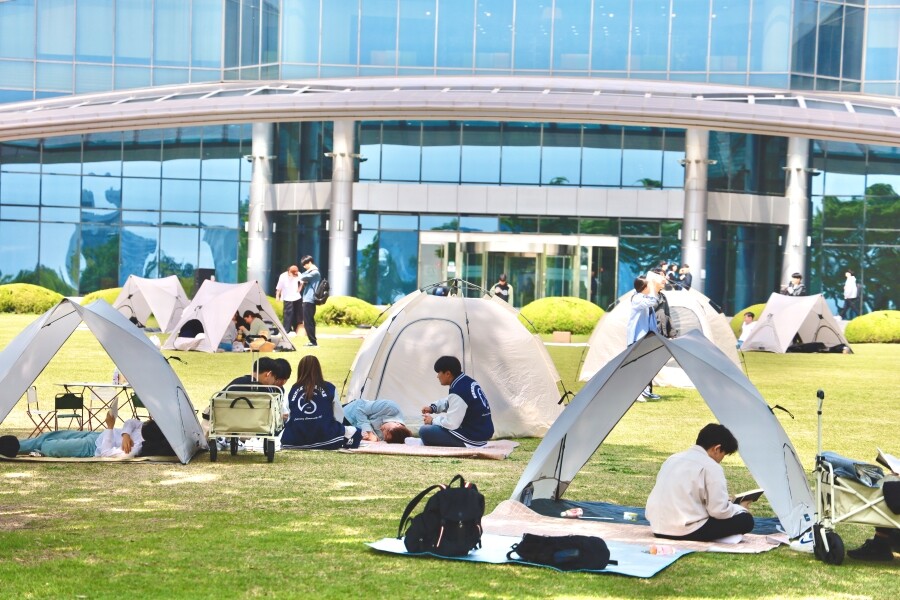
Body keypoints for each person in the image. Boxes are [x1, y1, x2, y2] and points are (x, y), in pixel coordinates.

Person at [645, 423, 755, 542]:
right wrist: (739, 508)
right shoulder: (711, 466)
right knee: (746, 520)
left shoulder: (672, 459)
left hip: (658, 527)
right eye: (723, 455)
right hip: (686, 530)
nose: (721, 460)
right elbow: (719, 511)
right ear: (717, 449)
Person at [280, 355, 361, 449]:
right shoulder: (329, 387)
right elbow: (339, 416)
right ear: (318, 369)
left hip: (294, 440)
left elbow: (291, 415)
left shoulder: (294, 389)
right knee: (356, 431)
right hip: (326, 437)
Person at [1, 411, 147, 459]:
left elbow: (106, 452)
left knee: (49, 446)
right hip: (96, 435)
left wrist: (110, 427)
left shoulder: (136, 448)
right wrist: (126, 434)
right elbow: (132, 422)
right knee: (47, 436)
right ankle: (8, 446)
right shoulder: (146, 428)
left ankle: (19, 449)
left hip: (92, 448)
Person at [419, 356, 494, 447]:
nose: (437, 376)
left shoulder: (459, 390)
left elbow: (451, 424)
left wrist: (432, 421)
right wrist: (433, 408)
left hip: (473, 436)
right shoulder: (467, 381)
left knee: (425, 431)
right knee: (433, 429)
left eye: (439, 372)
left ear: (448, 373)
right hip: (481, 431)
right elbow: (451, 401)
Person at [627, 272, 665, 400]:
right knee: (638, 366)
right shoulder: (637, 298)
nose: (651, 287)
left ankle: (645, 391)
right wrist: (653, 287)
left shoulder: (643, 296)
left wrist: (653, 280)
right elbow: (653, 301)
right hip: (637, 337)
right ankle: (636, 393)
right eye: (649, 285)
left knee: (646, 365)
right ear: (644, 287)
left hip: (646, 335)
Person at [342, 398, 412, 443]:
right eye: (387, 430)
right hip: (349, 413)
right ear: (398, 424)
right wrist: (369, 432)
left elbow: (372, 438)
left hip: (353, 428)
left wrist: (368, 437)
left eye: (385, 435)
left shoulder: (391, 436)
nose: (382, 430)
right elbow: (360, 409)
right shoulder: (389, 407)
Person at [298, 255, 321, 347]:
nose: (304, 266)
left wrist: (301, 273)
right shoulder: (312, 272)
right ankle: (312, 341)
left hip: (309, 299)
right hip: (308, 299)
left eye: (305, 264)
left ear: (310, 262)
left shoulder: (315, 272)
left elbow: (302, 277)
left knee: (308, 322)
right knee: (309, 321)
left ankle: (313, 342)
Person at [275, 264, 302, 335]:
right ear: (289, 272)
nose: (294, 276)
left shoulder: (299, 274)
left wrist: (299, 289)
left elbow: (302, 282)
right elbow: (279, 287)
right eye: (293, 274)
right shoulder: (283, 276)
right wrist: (277, 296)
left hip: (296, 297)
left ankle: (296, 329)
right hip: (287, 297)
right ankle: (287, 329)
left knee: (297, 314)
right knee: (288, 314)